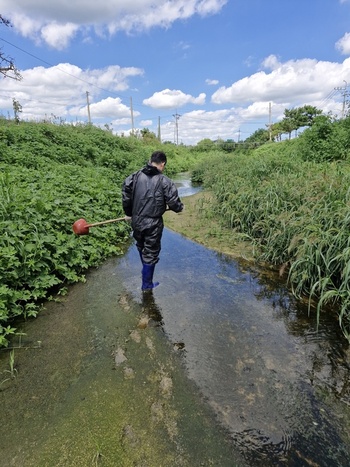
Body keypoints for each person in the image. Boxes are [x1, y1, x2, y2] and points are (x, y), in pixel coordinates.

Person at [122, 150, 184, 290]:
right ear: (162, 164)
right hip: (153, 224)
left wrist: (128, 213)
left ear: (150, 161)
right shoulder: (164, 181)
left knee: (141, 246)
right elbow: (173, 202)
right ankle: (147, 285)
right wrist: (180, 208)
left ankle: (145, 275)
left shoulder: (135, 176)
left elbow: (126, 194)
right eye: (164, 166)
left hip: (136, 221)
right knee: (150, 252)